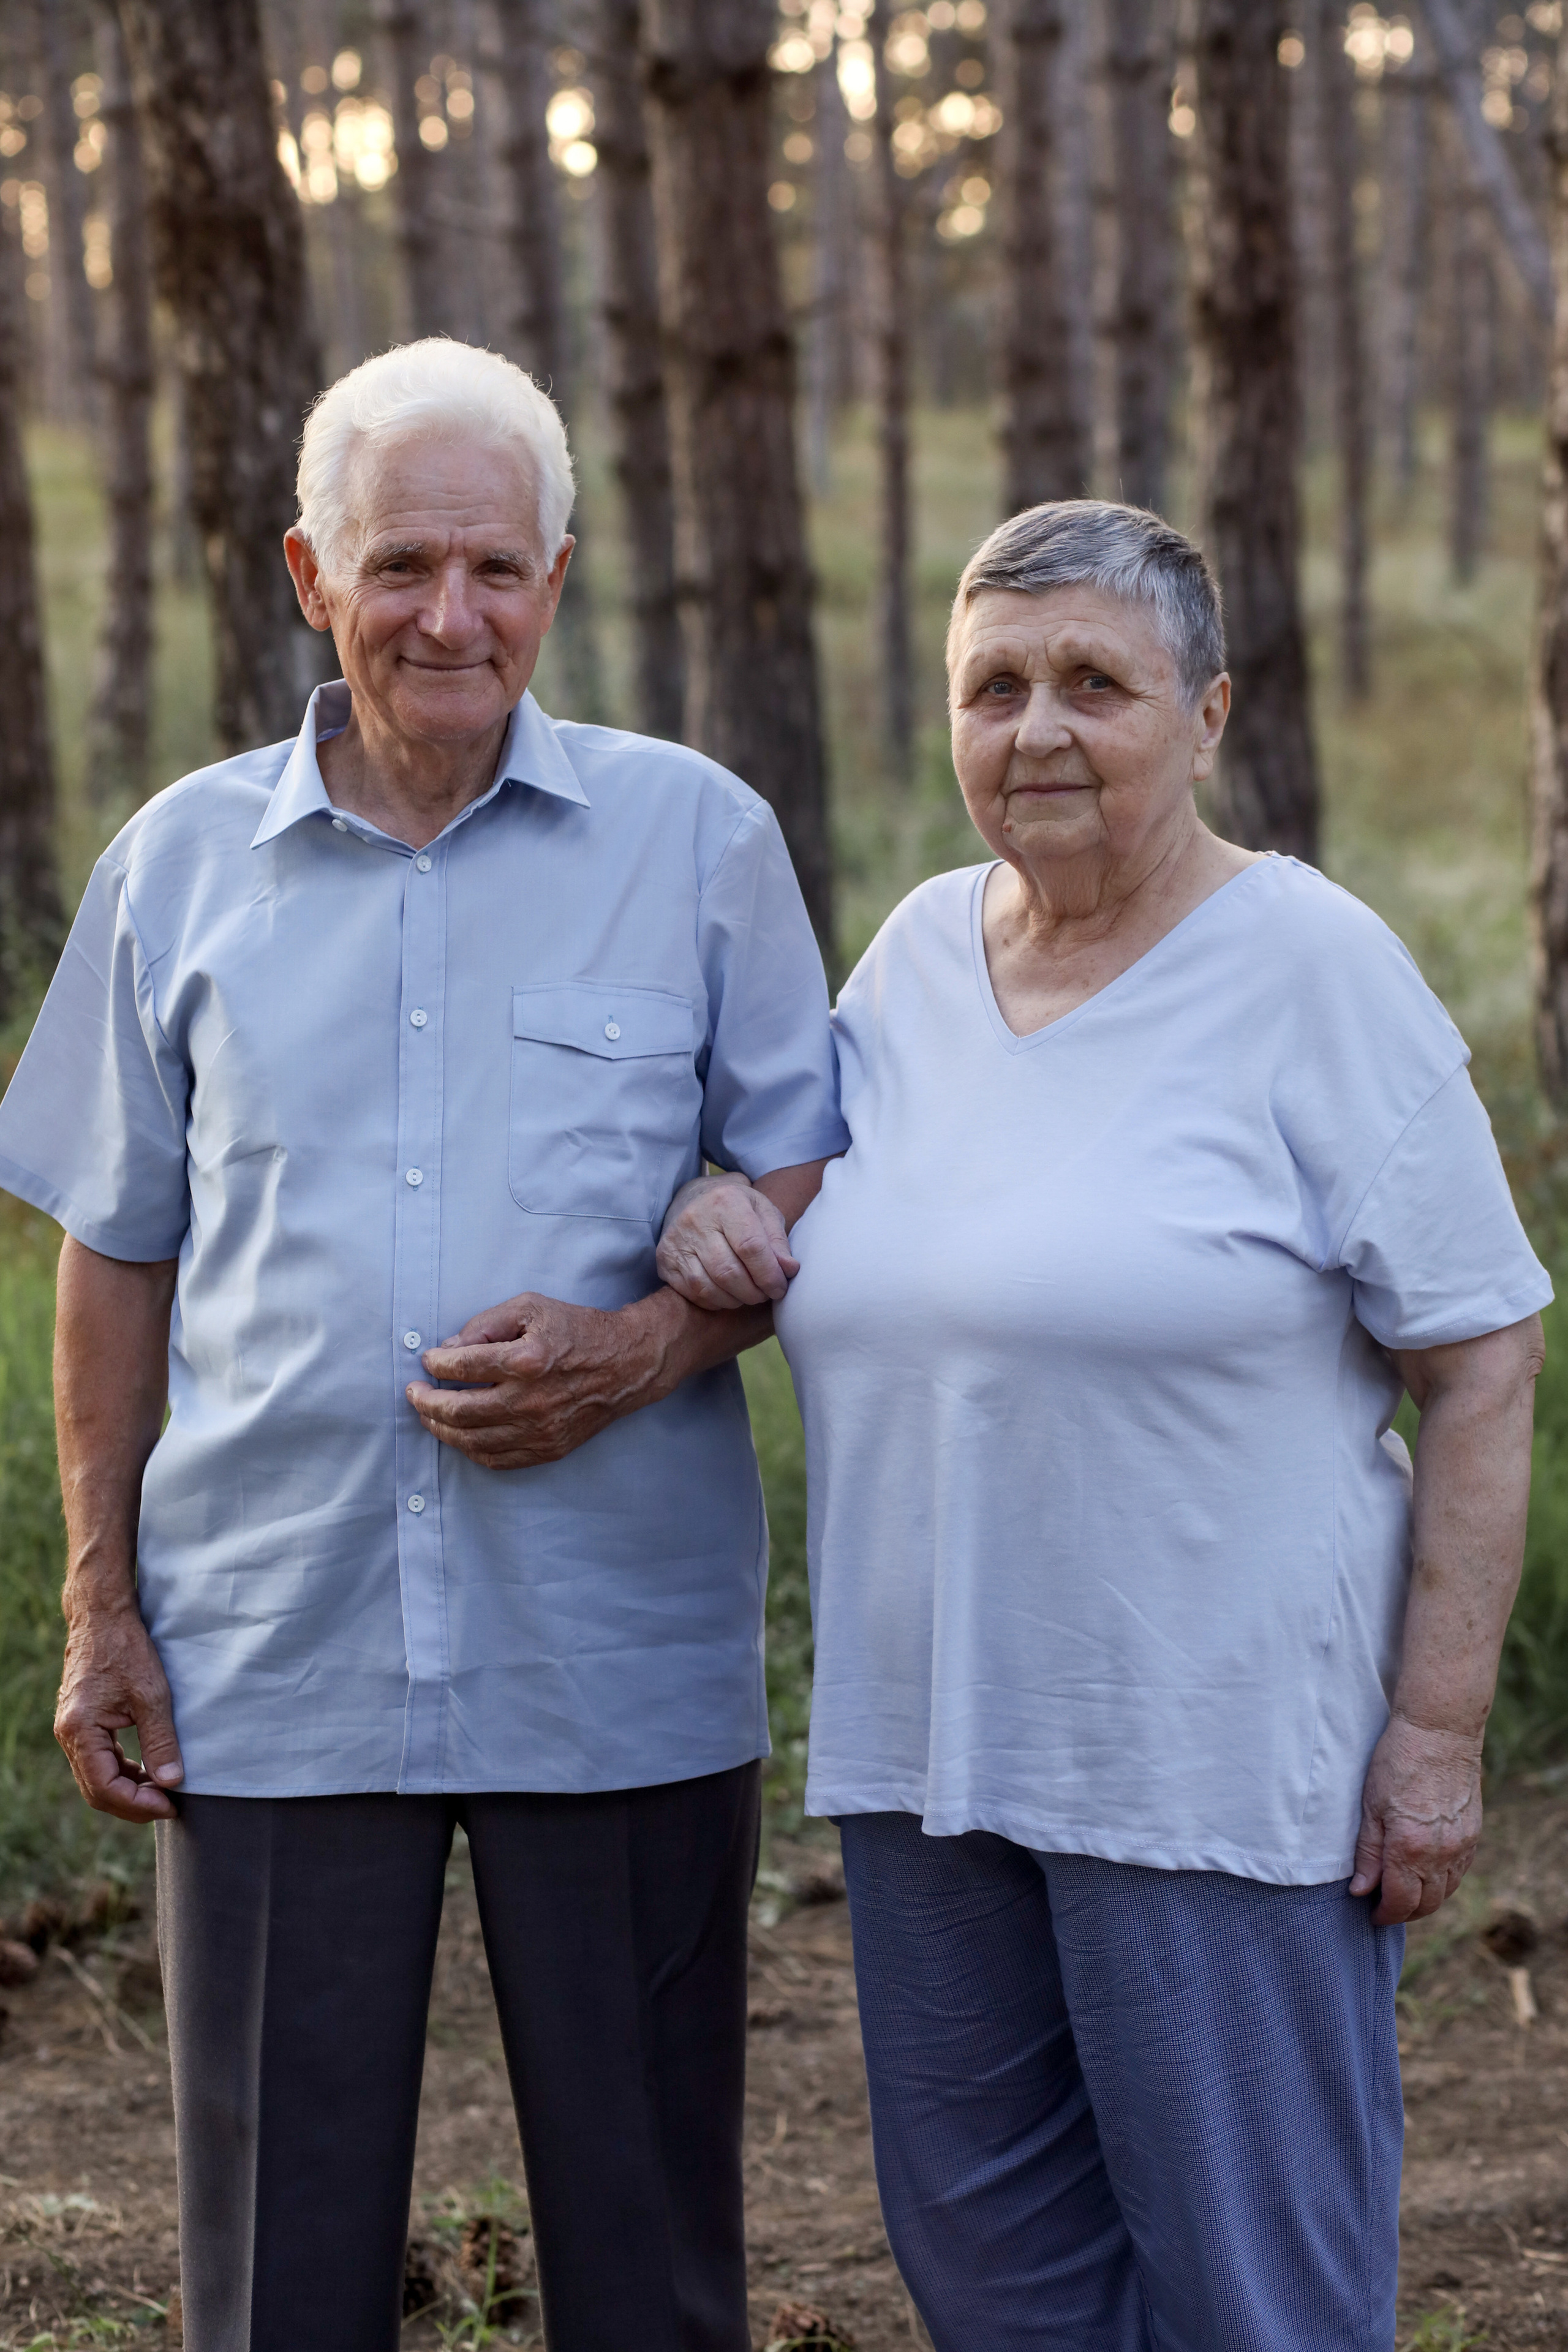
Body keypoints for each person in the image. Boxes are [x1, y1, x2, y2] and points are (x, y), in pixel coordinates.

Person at [0, 337, 848, 2352]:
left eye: (492, 567)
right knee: (280, 2284)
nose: (446, 614)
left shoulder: (701, 841)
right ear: (311, 574)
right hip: (271, 1655)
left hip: (615, 1661)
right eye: (398, 566)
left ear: (558, 579)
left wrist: (643, 1351)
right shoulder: (174, 870)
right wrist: (99, 1605)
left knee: (649, 2275)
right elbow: (112, 1257)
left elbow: (806, 1178)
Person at [655, 500, 1551, 2352]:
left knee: (1253, 2290)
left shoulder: (1312, 967)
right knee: (993, 2272)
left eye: (1095, 683)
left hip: (1213, 1771)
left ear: (1207, 713)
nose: (1037, 729)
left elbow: (1481, 1357)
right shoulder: (907, 961)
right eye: (995, 687)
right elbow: (795, 1209)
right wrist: (707, 1216)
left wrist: (1437, 1735)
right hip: (929, 1760)